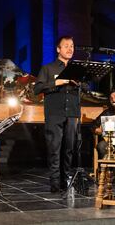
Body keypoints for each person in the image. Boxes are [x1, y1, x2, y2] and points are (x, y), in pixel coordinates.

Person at [34, 36, 80, 193]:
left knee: (69, 148)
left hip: (72, 113)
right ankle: (54, 184)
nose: (70, 49)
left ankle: (64, 181)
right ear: (58, 49)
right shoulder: (48, 68)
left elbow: (86, 86)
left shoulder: (76, 68)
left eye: (72, 46)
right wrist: (56, 82)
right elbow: (37, 89)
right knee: (54, 148)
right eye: (66, 46)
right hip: (54, 114)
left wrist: (81, 83)